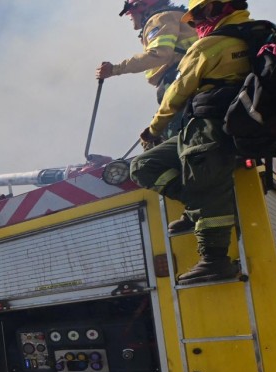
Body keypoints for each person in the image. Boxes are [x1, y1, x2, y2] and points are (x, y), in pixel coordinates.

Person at [128, 0, 254, 284]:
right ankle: (197, 205)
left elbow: (177, 92)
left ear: (212, 10)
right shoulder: (268, 35)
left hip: (210, 124)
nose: (194, 25)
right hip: (249, 123)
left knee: (201, 180)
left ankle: (214, 261)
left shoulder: (208, 45)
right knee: (145, 166)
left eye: (196, 18)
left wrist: (153, 130)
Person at [97, 1, 198, 108]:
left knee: (166, 100)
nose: (130, 16)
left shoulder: (159, 19)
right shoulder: (174, 15)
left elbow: (159, 54)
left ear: (141, 6)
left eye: (130, 11)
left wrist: (115, 69)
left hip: (182, 75)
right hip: (192, 71)